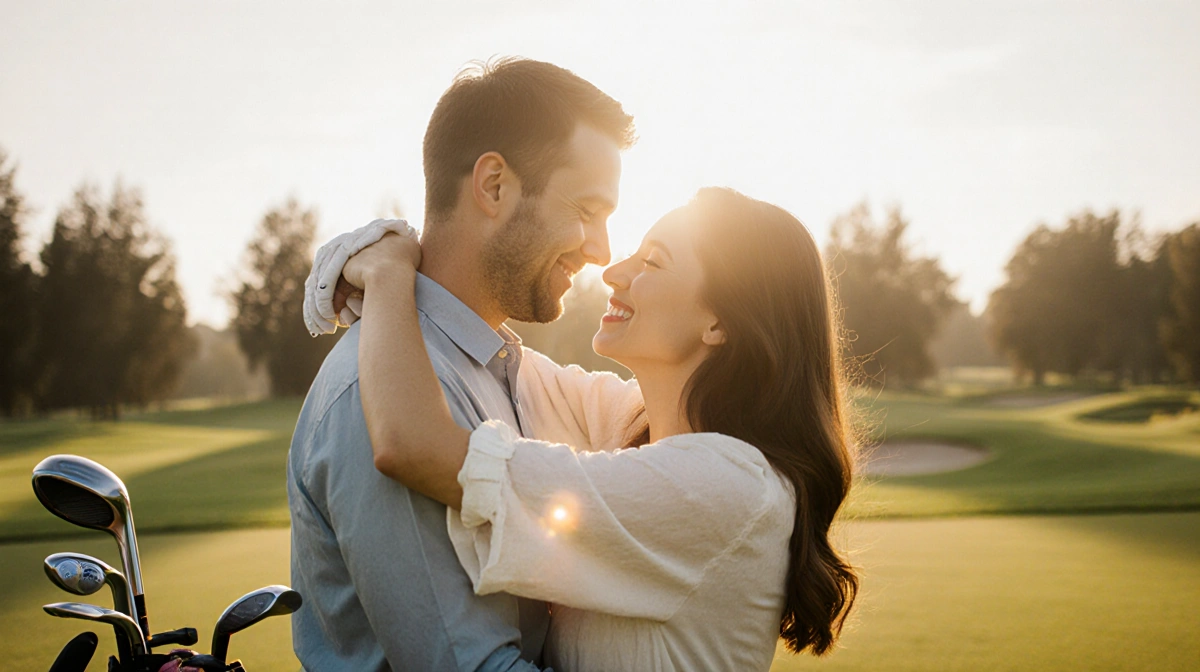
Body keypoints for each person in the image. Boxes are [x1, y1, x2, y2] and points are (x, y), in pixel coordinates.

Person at [311, 187, 860, 671]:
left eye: (653, 262)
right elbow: (476, 339)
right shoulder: (634, 422)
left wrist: (385, 277)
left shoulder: (727, 485)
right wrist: (388, 243)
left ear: (719, 322)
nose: (614, 272)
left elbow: (413, 446)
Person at [287, 57, 635, 671]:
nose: (602, 250)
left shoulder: (502, 367)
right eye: (586, 209)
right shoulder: (382, 393)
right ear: (494, 185)